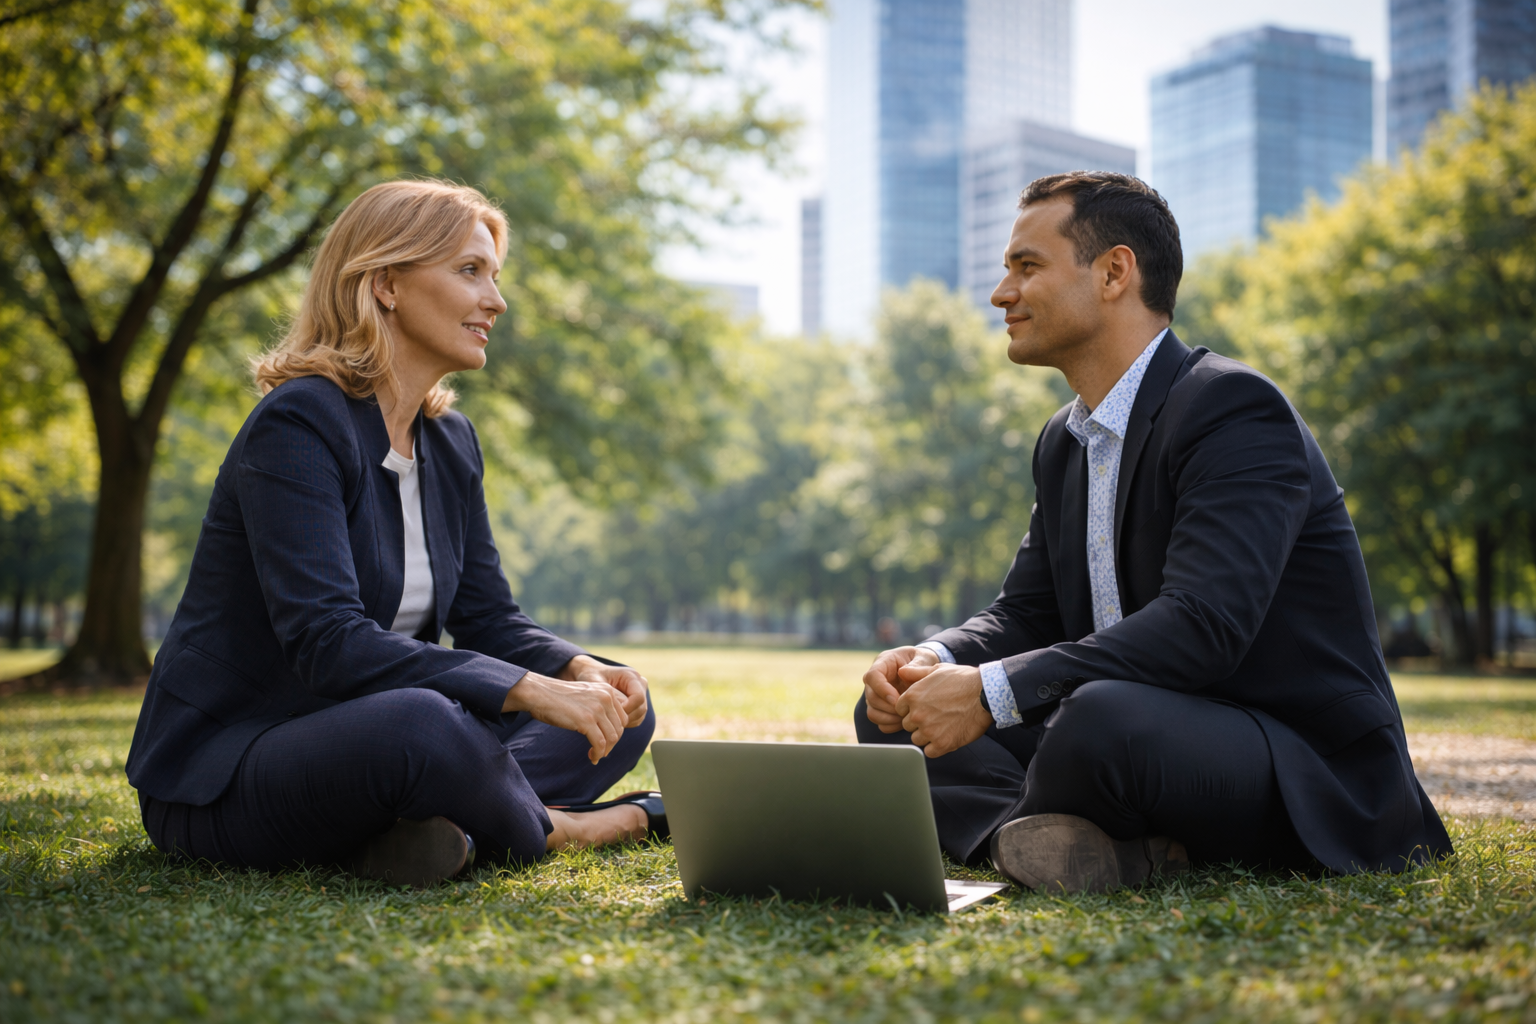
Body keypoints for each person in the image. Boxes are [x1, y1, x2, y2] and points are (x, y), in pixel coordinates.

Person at [857, 171, 1451, 893]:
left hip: (1288, 756)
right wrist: (934, 657)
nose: (1001, 293)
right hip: (1124, 731)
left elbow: (1203, 625)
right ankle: (1038, 843)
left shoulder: (1233, 407)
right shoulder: (1063, 441)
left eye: (1027, 266)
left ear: (1115, 273)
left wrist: (989, 692)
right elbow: (1027, 611)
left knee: (1097, 720)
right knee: (894, 711)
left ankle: (1056, 830)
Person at [126, 180, 660, 887]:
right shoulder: (299, 421)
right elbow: (328, 642)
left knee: (621, 709)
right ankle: (569, 827)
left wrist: (575, 671)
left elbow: (487, 617)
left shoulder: (451, 441)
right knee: (425, 724)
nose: (496, 301)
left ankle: (433, 828)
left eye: (494, 276)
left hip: (373, 752)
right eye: (470, 271)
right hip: (230, 771)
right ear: (385, 284)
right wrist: (529, 689)